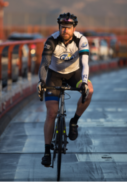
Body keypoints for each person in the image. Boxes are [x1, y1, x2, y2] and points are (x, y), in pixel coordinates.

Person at [37, 12, 94, 167]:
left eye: (68, 28)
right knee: (51, 113)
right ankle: (47, 152)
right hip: (54, 75)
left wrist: (83, 82)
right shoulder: (51, 40)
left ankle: (74, 121)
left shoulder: (81, 40)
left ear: (73, 28)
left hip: (74, 74)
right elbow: (44, 64)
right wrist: (42, 81)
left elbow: (85, 63)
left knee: (90, 90)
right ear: (59, 27)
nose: (65, 31)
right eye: (63, 27)